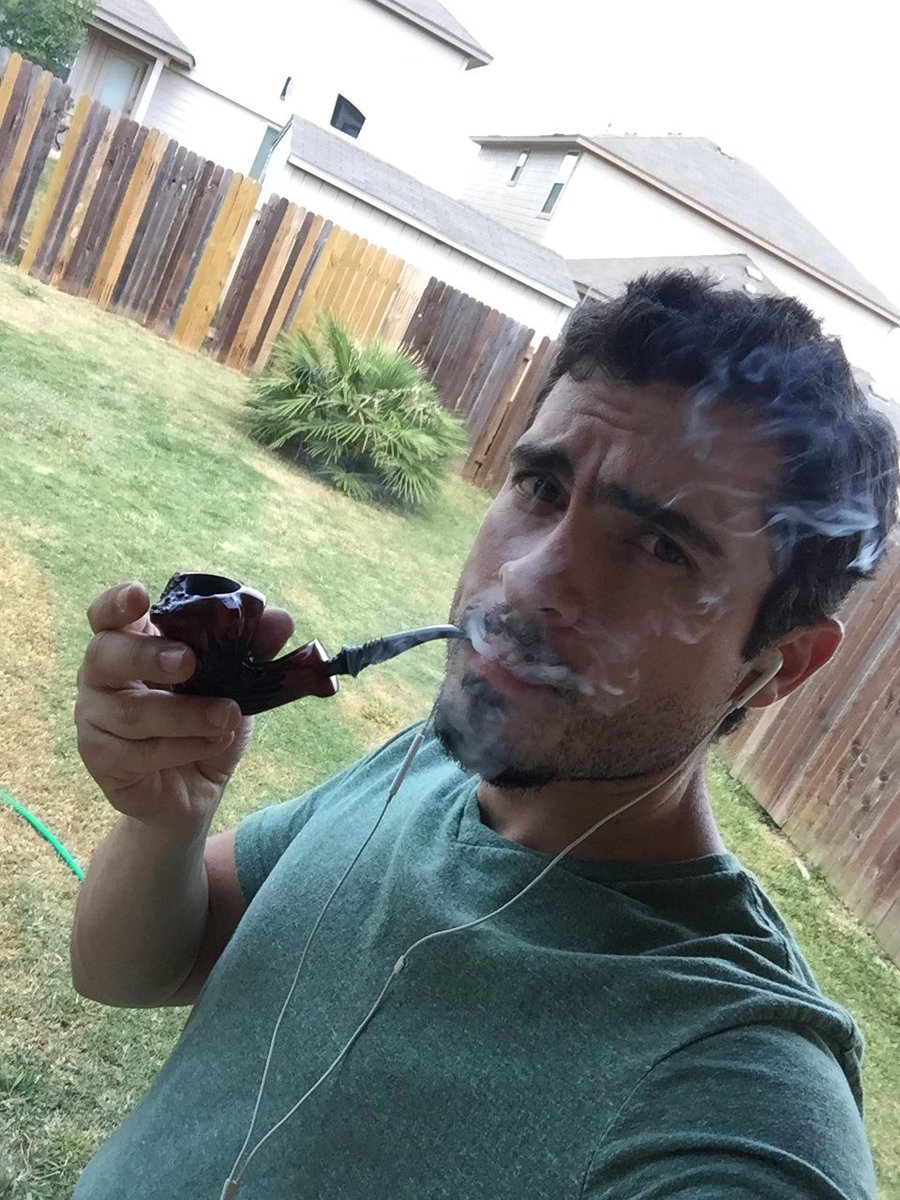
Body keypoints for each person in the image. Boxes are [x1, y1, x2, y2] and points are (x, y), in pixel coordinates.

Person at [70, 272, 897, 1199]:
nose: (529, 581)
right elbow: (138, 968)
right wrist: (166, 821)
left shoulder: (733, 1084)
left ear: (777, 664)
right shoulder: (427, 762)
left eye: (662, 546)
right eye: (542, 487)